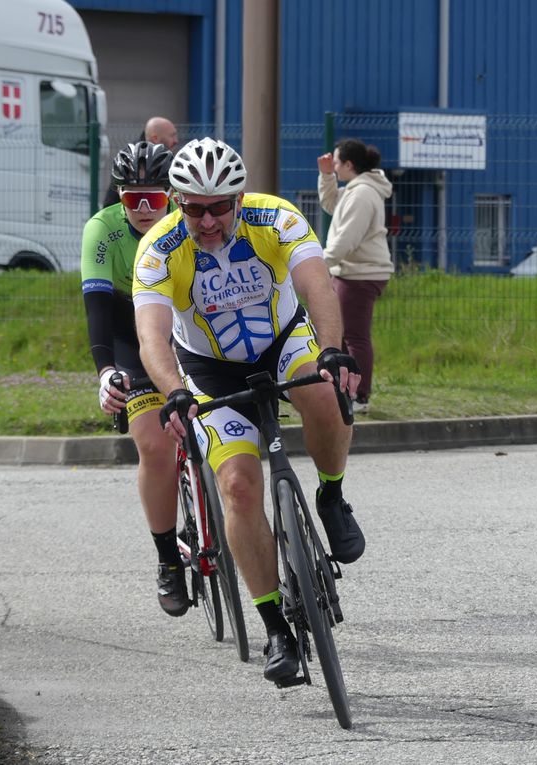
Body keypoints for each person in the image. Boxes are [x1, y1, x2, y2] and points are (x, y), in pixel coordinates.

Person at [133, 137, 365, 684]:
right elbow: (152, 337)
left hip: (281, 342)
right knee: (237, 485)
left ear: (239, 198)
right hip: (209, 369)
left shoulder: (276, 218)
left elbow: (317, 285)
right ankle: (275, 629)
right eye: (194, 207)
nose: (208, 219)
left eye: (219, 206)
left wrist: (331, 349)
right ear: (177, 201)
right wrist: (174, 391)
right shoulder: (160, 250)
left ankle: (331, 495)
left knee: (324, 395)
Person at [81, 140, 191, 618]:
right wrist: (105, 369)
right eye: (132, 199)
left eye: (156, 198)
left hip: (188, 329)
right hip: (131, 335)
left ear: (172, 195)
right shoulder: (102, 231)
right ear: (118, 197)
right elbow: (98, 308)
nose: (145, 209)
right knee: (153, 443)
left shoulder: (191, 222)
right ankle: (169, 560)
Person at [317, 139, 394, 412]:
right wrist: (326, 176)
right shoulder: (356, 189)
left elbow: (347, 237)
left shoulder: (363, 194)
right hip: (351, 270)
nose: (335, 167)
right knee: (340, 335)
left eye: (337, 164)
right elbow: (331, 204)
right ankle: (343, 389)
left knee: (354, 336)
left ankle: (359, 396)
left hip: (360, 274)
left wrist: (320, 263)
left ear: (349, 165)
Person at [102, 117, 179, 207]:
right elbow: (112, 201)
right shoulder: (129, 160)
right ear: (155, 138)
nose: (176, 141)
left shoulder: (169, 158)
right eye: (172, 136)